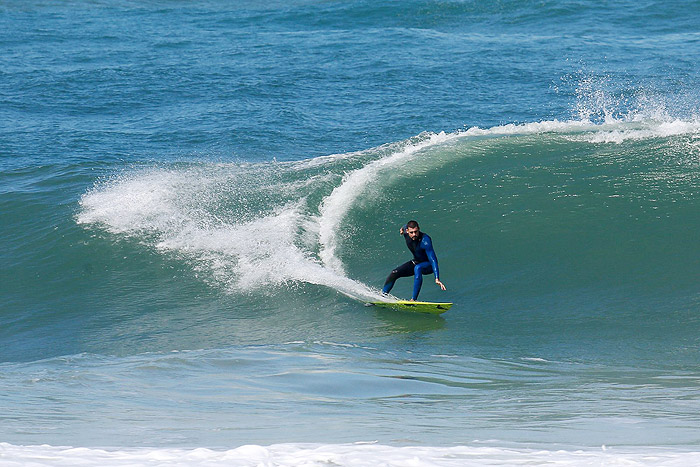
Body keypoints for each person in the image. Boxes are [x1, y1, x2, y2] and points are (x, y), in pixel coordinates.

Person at [382, 220, 446, 301]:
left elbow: (433, 260)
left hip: (428, 265)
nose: (414, 234)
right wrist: (401, 229)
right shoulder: (405, 232)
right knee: (394, 273)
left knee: (418, 268)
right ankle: (383, 296)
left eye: (416, 232)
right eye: (411, 232)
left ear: (419, 229)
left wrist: (437, 278)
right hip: (417, 261)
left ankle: (413, 300)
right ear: (407, 231)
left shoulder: (425, 241)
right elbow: (405, 226)